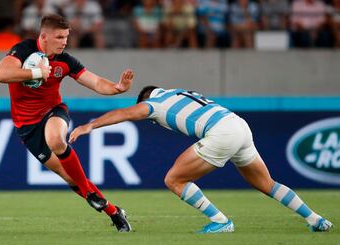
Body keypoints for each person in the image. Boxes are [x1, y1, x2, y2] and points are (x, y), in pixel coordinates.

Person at [69, 86, 333, 233]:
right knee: (267, 183)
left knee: (174, 179)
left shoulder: (155, 103)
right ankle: (315, 219)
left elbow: (126, 113)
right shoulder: (177, 92)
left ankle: (220, 222)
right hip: (239, 124)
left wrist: (88, 127)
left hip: (222, 132)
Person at [0, 14, 133, 232]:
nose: (64, 41)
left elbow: (95, 81)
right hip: (27, 127)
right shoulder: (23, 50)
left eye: (66, 37)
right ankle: (113, 211)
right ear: (44, 36)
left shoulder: (65, 61)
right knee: (70, 178)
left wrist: (116, 88)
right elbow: (1, 74)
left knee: (56, 141)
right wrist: (36, 72)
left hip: (53, 111)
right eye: (59, 37)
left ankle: (89, 193)